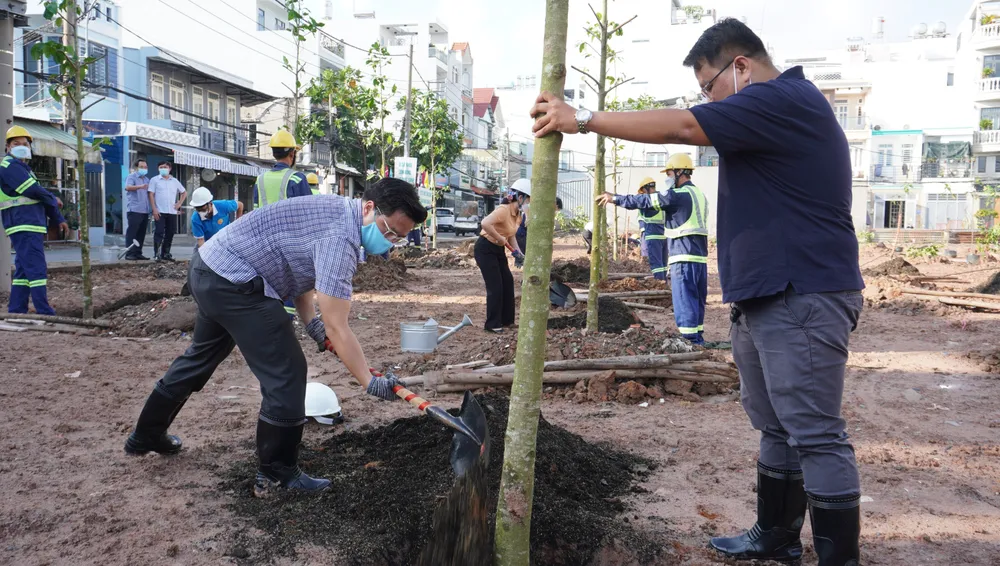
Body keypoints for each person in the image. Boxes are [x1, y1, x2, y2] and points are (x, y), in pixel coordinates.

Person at [531, 18, 864, 566]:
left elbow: (685, 128)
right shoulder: (766, 119)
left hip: (802, 291)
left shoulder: (784, 99)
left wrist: (584, 118)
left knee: (816, 432)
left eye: (708, 87)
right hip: (765, 295)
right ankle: (776, 536)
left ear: (741, 67)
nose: (708, 101)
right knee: (775, 425)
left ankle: (839, 559)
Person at [124, 177, 427, 497]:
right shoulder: (342, 238)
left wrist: (312, 326)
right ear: (369, 208)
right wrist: (368, 380)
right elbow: (338, 327)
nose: (390, 241)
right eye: (388, 231)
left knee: (201, 356)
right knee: (288, 371)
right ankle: (276, 474)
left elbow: (301, 271)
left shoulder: (337, 210)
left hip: (209, 267)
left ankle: (146, 434)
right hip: (236, 281)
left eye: (399, 238)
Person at [598, 157, 709, 344]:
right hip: (699, 258)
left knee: (684, 300)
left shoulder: (677, 195)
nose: (667, 177)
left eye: (669, 173)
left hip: (683, 256)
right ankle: (697, 336)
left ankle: (690, 340)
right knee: (696, 300)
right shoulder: (698, 194)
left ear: (680, 172)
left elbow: (645, 200)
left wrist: (615, 198)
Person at [0, 126, 68, 315]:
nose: (21, 147)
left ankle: (16, 309)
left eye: (25, 144)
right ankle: (44, 310)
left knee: (23, 269)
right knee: (36, 267)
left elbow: (40, 196)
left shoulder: (24, 169)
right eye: (16, 144)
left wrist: (57, 217)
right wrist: (54, 201)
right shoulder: (9, 167)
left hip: (27, 222)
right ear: (7, 147)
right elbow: (35, 192)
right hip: (23, 222)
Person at [254, 130, 311, 317]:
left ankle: (269, 320)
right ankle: (285, 321)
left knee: (269, 283)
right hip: (288, 242)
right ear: (292, 153)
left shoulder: (260, 179)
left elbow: (255, 210)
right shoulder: (296, 178)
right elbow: (307, 213)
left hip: (263, 241)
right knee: (289, 283)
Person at [475, 178, 529, 333]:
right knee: (495, 286)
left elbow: (510, 235)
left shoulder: (517, 215)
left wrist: (518, 253)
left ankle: (507, 321)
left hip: (498, 249)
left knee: (507, 282)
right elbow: (485, 223)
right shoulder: (503, 210)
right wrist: (499, 238)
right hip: (485, 248)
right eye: (528, 201)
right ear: (520, 198)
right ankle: (492, 324)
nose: (528, 204)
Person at [148, 161, 186, 262]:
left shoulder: (174, 181)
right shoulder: (155, 180)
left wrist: (179, 203)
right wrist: (154, 209)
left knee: (170, 233)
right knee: (159, 232)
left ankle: (166, 253)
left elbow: (184, 192)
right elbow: (151, 194)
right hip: (160, 211)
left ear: (169, 168)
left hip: (172, 211)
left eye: (165, 167)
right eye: (160, 167)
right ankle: (157, 254)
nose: (163, 169)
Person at [124, 159, 151, 260]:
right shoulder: (132, 177)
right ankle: (129, 253)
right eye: (142, 167)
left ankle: (138, 252)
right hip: (134, 209)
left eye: (145, 167)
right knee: (132, 232)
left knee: (141, 233)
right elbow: (127, 187)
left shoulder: (147, 180)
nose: (144, 169)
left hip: (144, 210)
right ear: (136, 168)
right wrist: (140, 186)